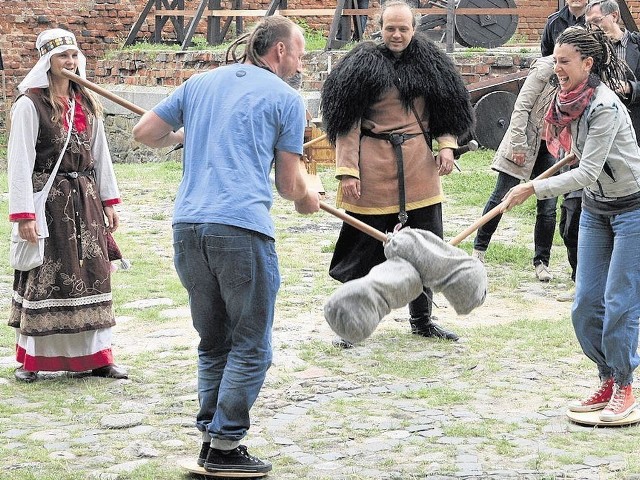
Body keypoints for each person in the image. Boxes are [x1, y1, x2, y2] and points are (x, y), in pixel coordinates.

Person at [132, 16, 320, 476]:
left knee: (213, 342)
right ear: (278, 51)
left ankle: (211, 438)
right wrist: (311, 194)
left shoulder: (199, 83)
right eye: (299, 52)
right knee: (252, 344)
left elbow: (145, 133)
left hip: (188, 227)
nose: (301, 61)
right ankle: (224, 446)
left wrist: (182, 134)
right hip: (241, 228)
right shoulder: (286, 99)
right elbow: (289, 186)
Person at [502, 26, 640, 422]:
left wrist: (532, 187)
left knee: (619, 305)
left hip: (633, 209)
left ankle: (625, 386)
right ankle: (608, 378)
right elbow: (579, 160)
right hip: (598, 209)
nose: (556, 68)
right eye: (555, 60)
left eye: (564, 62)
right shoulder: (566, 102)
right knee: (584, 307)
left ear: (587, 64)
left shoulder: (605, 107)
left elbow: (588, 171)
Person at [320, 0, 474, 347]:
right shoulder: (360, 65)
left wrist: (447, 145)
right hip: (372, 168)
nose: (397, 34)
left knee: (428, 249)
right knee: (361, 250)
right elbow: (346, 125)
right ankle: (351, 323)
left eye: (404, 28)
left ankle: (422, 320)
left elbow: (445, 111)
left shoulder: (432, 63)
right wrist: (348, 172)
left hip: (419, 168)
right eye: (391, 27)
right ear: (380, 26)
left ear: (414, 28)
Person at [7, 29, 127, 383]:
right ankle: (33, 359)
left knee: (93, 276)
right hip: (49, 204)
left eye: (74, 56)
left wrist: (109, 201)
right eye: (63, 57)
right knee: (46, 277)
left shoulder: (87, 103)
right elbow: (19, 162)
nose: (70, 63)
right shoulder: (30, 104)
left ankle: (99, 356)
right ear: (47, 62)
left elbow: (101, 156)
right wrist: (24, 214)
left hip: (86, 204)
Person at [555, 0, 640, 302]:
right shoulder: (578, 93)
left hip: (630, 188)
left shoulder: (635, 49)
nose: (593, 25)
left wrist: (632, 89)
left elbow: (603, 111)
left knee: (621, 301)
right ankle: (584, 281)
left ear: (614, 17)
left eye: (596, 20)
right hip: (596, 191)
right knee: (571, 217)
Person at [471, 56, 559, 282]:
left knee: (548, 206)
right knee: (501, 197)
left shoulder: (580, 75)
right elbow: (521, 107)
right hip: (524, 141)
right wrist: (519, 144)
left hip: (550, 146)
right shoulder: (544, 71)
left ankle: (542, 262)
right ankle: (478, 252)